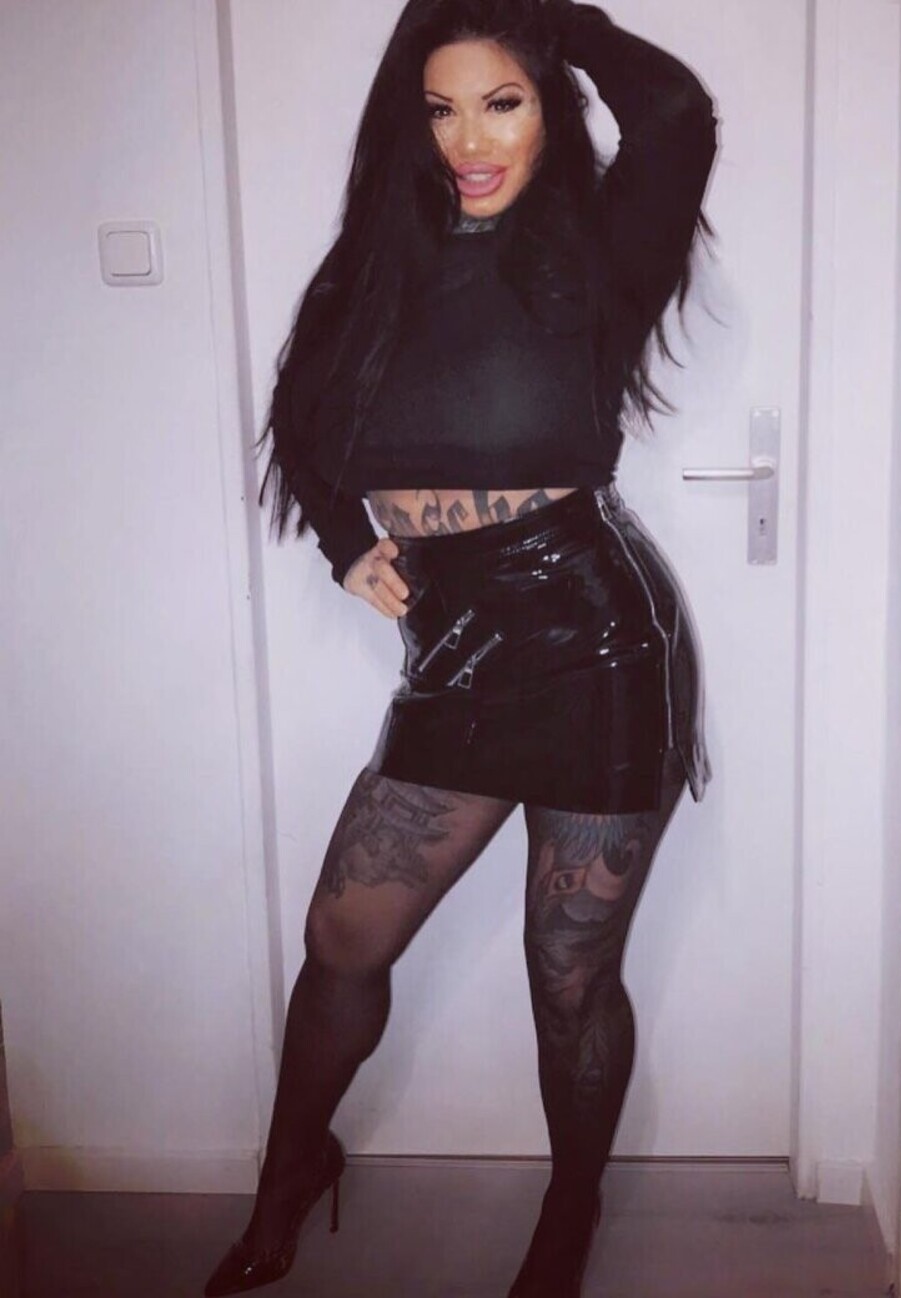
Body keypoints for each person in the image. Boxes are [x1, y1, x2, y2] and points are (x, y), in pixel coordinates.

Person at [204, 0, 717, 1293]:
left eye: (502, 103)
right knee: (344, 938)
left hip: (598, 645)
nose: (469, 140)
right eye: (441, 109)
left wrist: (557, 18)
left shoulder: (601, 252)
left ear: (549, 106)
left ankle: (567, 1217)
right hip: (455, 657)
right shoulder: (379, 263)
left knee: (568, 977)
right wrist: (344, 543)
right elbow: (302, 417)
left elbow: (675, 114)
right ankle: (290, 1171)